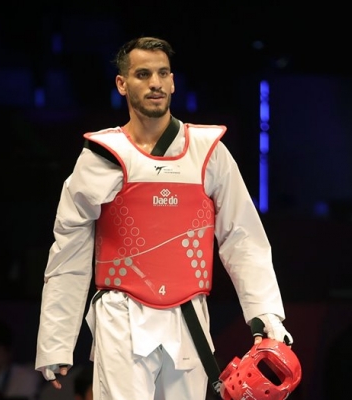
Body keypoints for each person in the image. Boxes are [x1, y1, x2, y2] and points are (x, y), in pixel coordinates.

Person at [34, 36, 293, 400]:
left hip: (188, 315)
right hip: (122, 314)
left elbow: (242, 236)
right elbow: (69, 249)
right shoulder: (103, 156)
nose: (155, 83)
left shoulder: (209, 153)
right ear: (122, 84)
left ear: (172, 82)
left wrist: (266, 315)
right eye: (143, 74)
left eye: (163, 73)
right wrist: (56, 341)